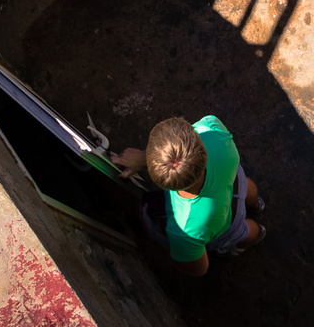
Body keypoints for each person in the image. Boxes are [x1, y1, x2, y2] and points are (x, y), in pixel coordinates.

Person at [113, 116, 265, 275]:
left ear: (166, 185)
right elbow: (189, 137)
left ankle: (256, 234)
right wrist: (146, 157)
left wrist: (159, 238)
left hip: (224, 223)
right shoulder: (210, 129)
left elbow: (199, 269)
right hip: (233, 179)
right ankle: (256, 205)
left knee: (243, 231)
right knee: (246, 187)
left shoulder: (185, 228)